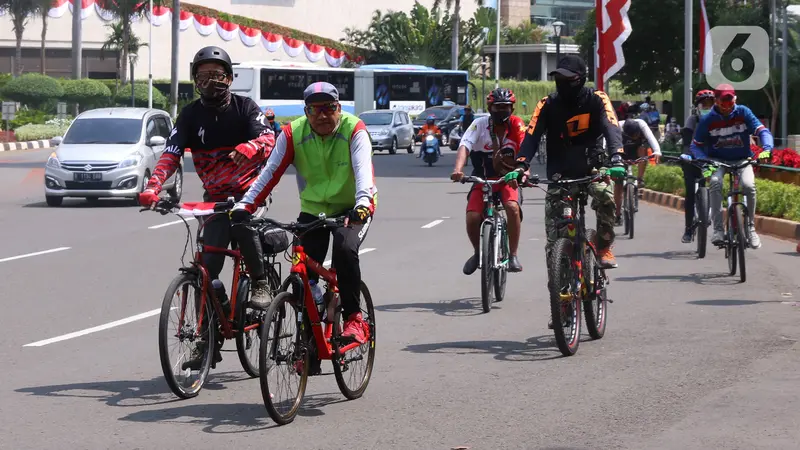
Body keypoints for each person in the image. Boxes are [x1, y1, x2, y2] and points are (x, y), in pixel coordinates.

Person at [138, 46, 276, 369]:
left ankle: (260, 281)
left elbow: (270, 139)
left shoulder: (245, 109)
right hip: (214, 198)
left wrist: (251, 146)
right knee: (205, 268)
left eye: (216, 75)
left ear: (229, 78)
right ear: (194, 81)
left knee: (241, 223)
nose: (210, 81)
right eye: (202, 76)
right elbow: (171, 155)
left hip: (248, 195)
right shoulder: (188, 116)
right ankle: (208, 338)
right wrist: (153, 187)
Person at [232, 81, 377, 347]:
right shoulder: (291, 134)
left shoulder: (354, 129)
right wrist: (245, 206)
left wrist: (362, 204)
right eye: (314, 109)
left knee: (345, 249)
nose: (323, 115)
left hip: (353, 208)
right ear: (306, 111)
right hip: (314, 211)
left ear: (339, 108)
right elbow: (269, 174)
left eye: (329, 108)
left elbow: (363, 173)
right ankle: (308, 341)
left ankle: (355, 319)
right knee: (302, 278)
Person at [514, 54, 623, 271]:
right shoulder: (547, 104)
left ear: (581, 78)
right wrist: (522, 165)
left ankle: (603, 246)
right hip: (559, 173)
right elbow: (532, 135)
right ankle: (558, 283)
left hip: (593, 167)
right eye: (559, 79)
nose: (563, 84)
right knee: (554, 239)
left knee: (606, 196)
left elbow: (611, 126)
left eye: (568, 79)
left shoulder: (597, 99)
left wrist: (617, 156)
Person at [450, 88, 526, 273]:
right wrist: (458, 170)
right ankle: (478, 253)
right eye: (497, 107)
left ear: (512, 109)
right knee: (472, 217)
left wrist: (523, 172)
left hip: (509, 179)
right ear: (490, 108)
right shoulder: (479, 124)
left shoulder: (517, 125)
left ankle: (513, 255)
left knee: (512, 208)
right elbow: (464, 146)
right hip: (482, 179)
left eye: (506, 107)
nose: (502, 111)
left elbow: (525, 150)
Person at [689, 83, 773, 249]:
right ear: (716, 102)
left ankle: (750, 228)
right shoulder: (708, 119)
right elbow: (695, 145)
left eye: (730, 104)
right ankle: (718, 229)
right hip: (717, 161)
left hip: (742, 160)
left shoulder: (743, 112)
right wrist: (704, 160)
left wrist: (767, 149)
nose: (727, 108)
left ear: (735, 100)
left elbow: (762, 131)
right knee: (715, 183)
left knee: (749, 186)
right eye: (723, 104)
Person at [678, 89, 714, 243]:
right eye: (703, 104)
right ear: (697, 106)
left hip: (711, 161)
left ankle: (708, 212)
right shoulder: (692, 120)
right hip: (691, 160)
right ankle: (688, 229)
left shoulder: (718, 120)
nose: (706, 107)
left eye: (709, 104)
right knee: (690, 193)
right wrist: (686, 155)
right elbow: (686, 142)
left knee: (715, 186)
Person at [614, 118, 661, 224]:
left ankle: (640, 178)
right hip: (622, 151)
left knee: (643, 150)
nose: (636, 137)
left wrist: (657, 151)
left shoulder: (641, 124)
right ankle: (617, 213)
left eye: (637, 135)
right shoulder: (617, 127)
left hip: (636, 150)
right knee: (618, 183)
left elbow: (651, 137)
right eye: (633, 136)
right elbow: (607, 140)